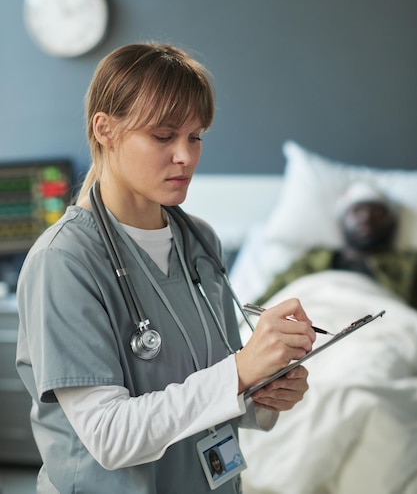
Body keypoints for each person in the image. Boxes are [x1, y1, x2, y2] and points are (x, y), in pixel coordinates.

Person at [16, 43, 316, 494]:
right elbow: (109, 436)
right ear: (105, 130)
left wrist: (264, 391)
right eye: (163, 136)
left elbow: (212, 382)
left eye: (195, 136)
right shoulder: (64, 261)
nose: (186, 156)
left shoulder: (200, 241)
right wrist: (238, 371)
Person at [256, 180, 417, 309]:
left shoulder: (409, 264)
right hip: (312, 316)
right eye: (357, 210)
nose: (366, 217)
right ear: (341, 221)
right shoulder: (313, 259)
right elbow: (268, 300)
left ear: (391, 223)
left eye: (377, 212)